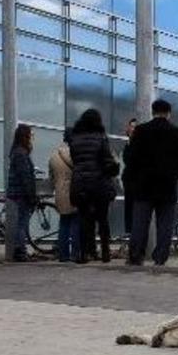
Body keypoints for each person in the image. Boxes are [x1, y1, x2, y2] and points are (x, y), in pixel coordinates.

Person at [129, 99, 178, 266]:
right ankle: (160, 257)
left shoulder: (141, 131)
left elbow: (131, 159)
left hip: (144, 185)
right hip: (167, 186)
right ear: (169, 113)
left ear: (153, 111)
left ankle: (136, 255)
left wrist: (136, 178)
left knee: (140, 222)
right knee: (165, 225)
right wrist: (174, 176)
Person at [68, 109, 118, 264]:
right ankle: (105, 253)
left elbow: (75, 161)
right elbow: (107, 161)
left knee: (84, 219)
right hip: (99, 183)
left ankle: (84, 253)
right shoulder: (101, 138)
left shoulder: (74, 139)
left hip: (80, 183)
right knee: (102, 219)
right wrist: (114, 168)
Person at [6, 125, 38, 262]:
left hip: (17, 191)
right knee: (22, 222)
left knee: (22, 221)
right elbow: (25, 176)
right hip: (21, 192)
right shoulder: (21, 153)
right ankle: (20, 251)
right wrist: (31, 195)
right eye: (31, 135)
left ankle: (20, 250)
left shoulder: (18, 152)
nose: (32, 138)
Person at [49, 130, 80, 262]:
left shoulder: (54, 155)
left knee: (63, 223)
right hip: (75, 192)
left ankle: (63, 254)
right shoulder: (77, 154)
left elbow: (51, 177)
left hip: (60, 193)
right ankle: (75, 254)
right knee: (76, 223)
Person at [121, 118, 137, 237]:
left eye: (135, 127)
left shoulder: (137, 145)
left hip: (137, 183)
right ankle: (130, 233)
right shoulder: (128, 143)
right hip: (129, 183)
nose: (132, 129)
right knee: (129, 210)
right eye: (131, 126)